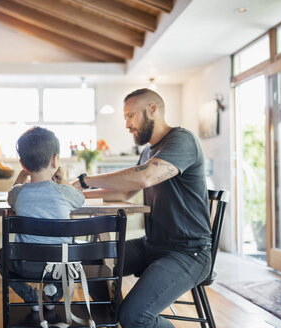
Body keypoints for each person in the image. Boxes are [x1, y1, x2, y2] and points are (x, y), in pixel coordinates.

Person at [72, 89, 212, 328]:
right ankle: (112, 317)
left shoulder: (182, 140)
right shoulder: (148, 151)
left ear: (152, 110)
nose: (127, 124)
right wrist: (76, 193)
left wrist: (86, 179)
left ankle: (128, 319)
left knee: (135, 316)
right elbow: (125, 191)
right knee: (88, 259)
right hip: (153, 244)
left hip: (188, 252)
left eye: (131, 116)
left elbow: (145, 177)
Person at [0, 126, 85, 310]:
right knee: (74, 251)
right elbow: (80, 199)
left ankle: (31, 298)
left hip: (26, 265)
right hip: (59, 266)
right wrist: (63, 180)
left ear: (23, 164)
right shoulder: (63, 192)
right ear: (55, 160)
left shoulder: (18, 193)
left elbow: (10, 198)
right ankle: (52, 296)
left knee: (0, 256)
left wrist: (20, 179)